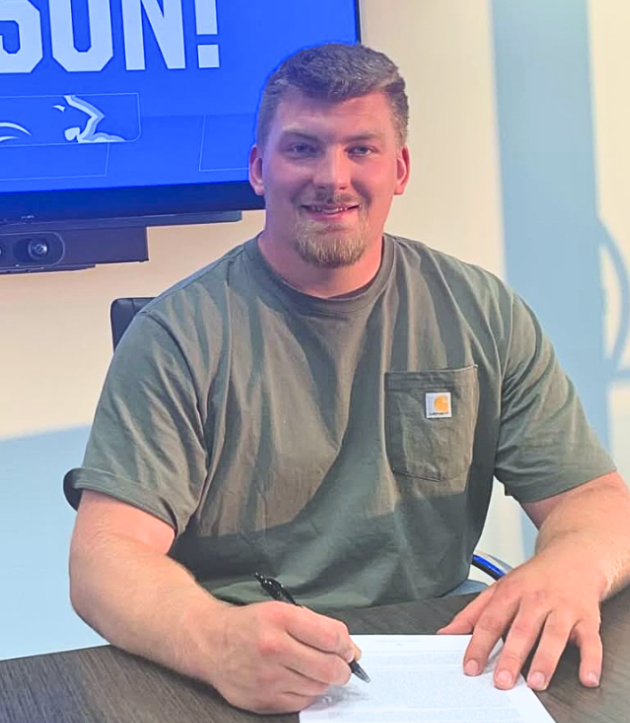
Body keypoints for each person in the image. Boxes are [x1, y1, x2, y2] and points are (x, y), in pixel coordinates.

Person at [63, 42, 630, 715]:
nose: (332, 177)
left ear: (400, 169)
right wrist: (214, 639)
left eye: (361, 149)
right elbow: (104, 558)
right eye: (303, 149)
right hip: (248, 668)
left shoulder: (481, 311)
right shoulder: (178, 335)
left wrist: (571, 566)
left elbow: (593, 499)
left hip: (441, 656)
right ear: (257, 168)